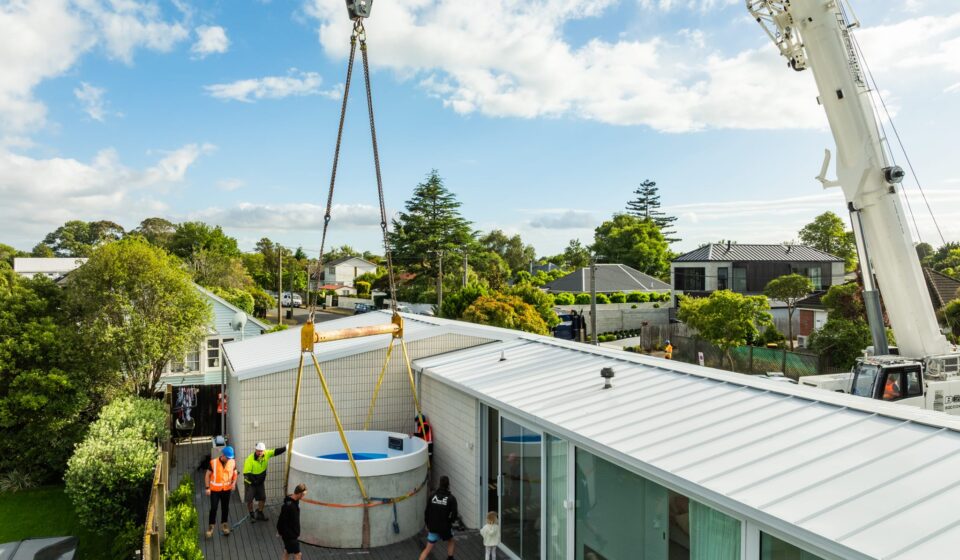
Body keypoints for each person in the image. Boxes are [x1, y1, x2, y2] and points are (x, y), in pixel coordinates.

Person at [243, 442, 286, 522]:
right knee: (249, 500)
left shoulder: (266, 454)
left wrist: (286, 447)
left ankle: (260, 513)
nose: (260, 453)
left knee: (263, 498)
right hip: (250, 482)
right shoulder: (249, 459)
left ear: (264, 451)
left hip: (259, 481)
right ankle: (251, 514)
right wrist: (254, 481)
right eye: (258, 451)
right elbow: (246, 474)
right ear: (255, 450)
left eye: (261, 451)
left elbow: (275, 451)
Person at [419, 475, 459, 560]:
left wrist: (427, 524)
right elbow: (454, 514)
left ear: (439, 484)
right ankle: (450, 558)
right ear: (448, 485)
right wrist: (450, 522)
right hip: (445, 527)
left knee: (427, 549)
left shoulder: (432, 496)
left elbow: (427, 512)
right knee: (451, 541)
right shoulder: (451, 498)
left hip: (433, 527)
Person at [205, 445, 238, 538]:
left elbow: (235, 474)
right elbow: (207, 475)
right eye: (227, 458)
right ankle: (211, 526)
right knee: (214, 508)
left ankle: (224, 524)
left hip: (226, 490)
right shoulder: (213, 462)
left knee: (225, 507)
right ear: (223, 455)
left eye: (230, 458)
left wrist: (234, 483)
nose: (229, 459)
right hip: (215, 490)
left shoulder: (232, 462)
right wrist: (207, 488)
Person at [277, 483, 307, 560]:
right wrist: (280, 531)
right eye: (303, 494)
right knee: (298, 554)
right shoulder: (289, 506)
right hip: (290, 535)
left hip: (291, 534)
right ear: (299, 493)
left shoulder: (294, 502)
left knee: (287, 551)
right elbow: (281, 519)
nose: (304, 496)